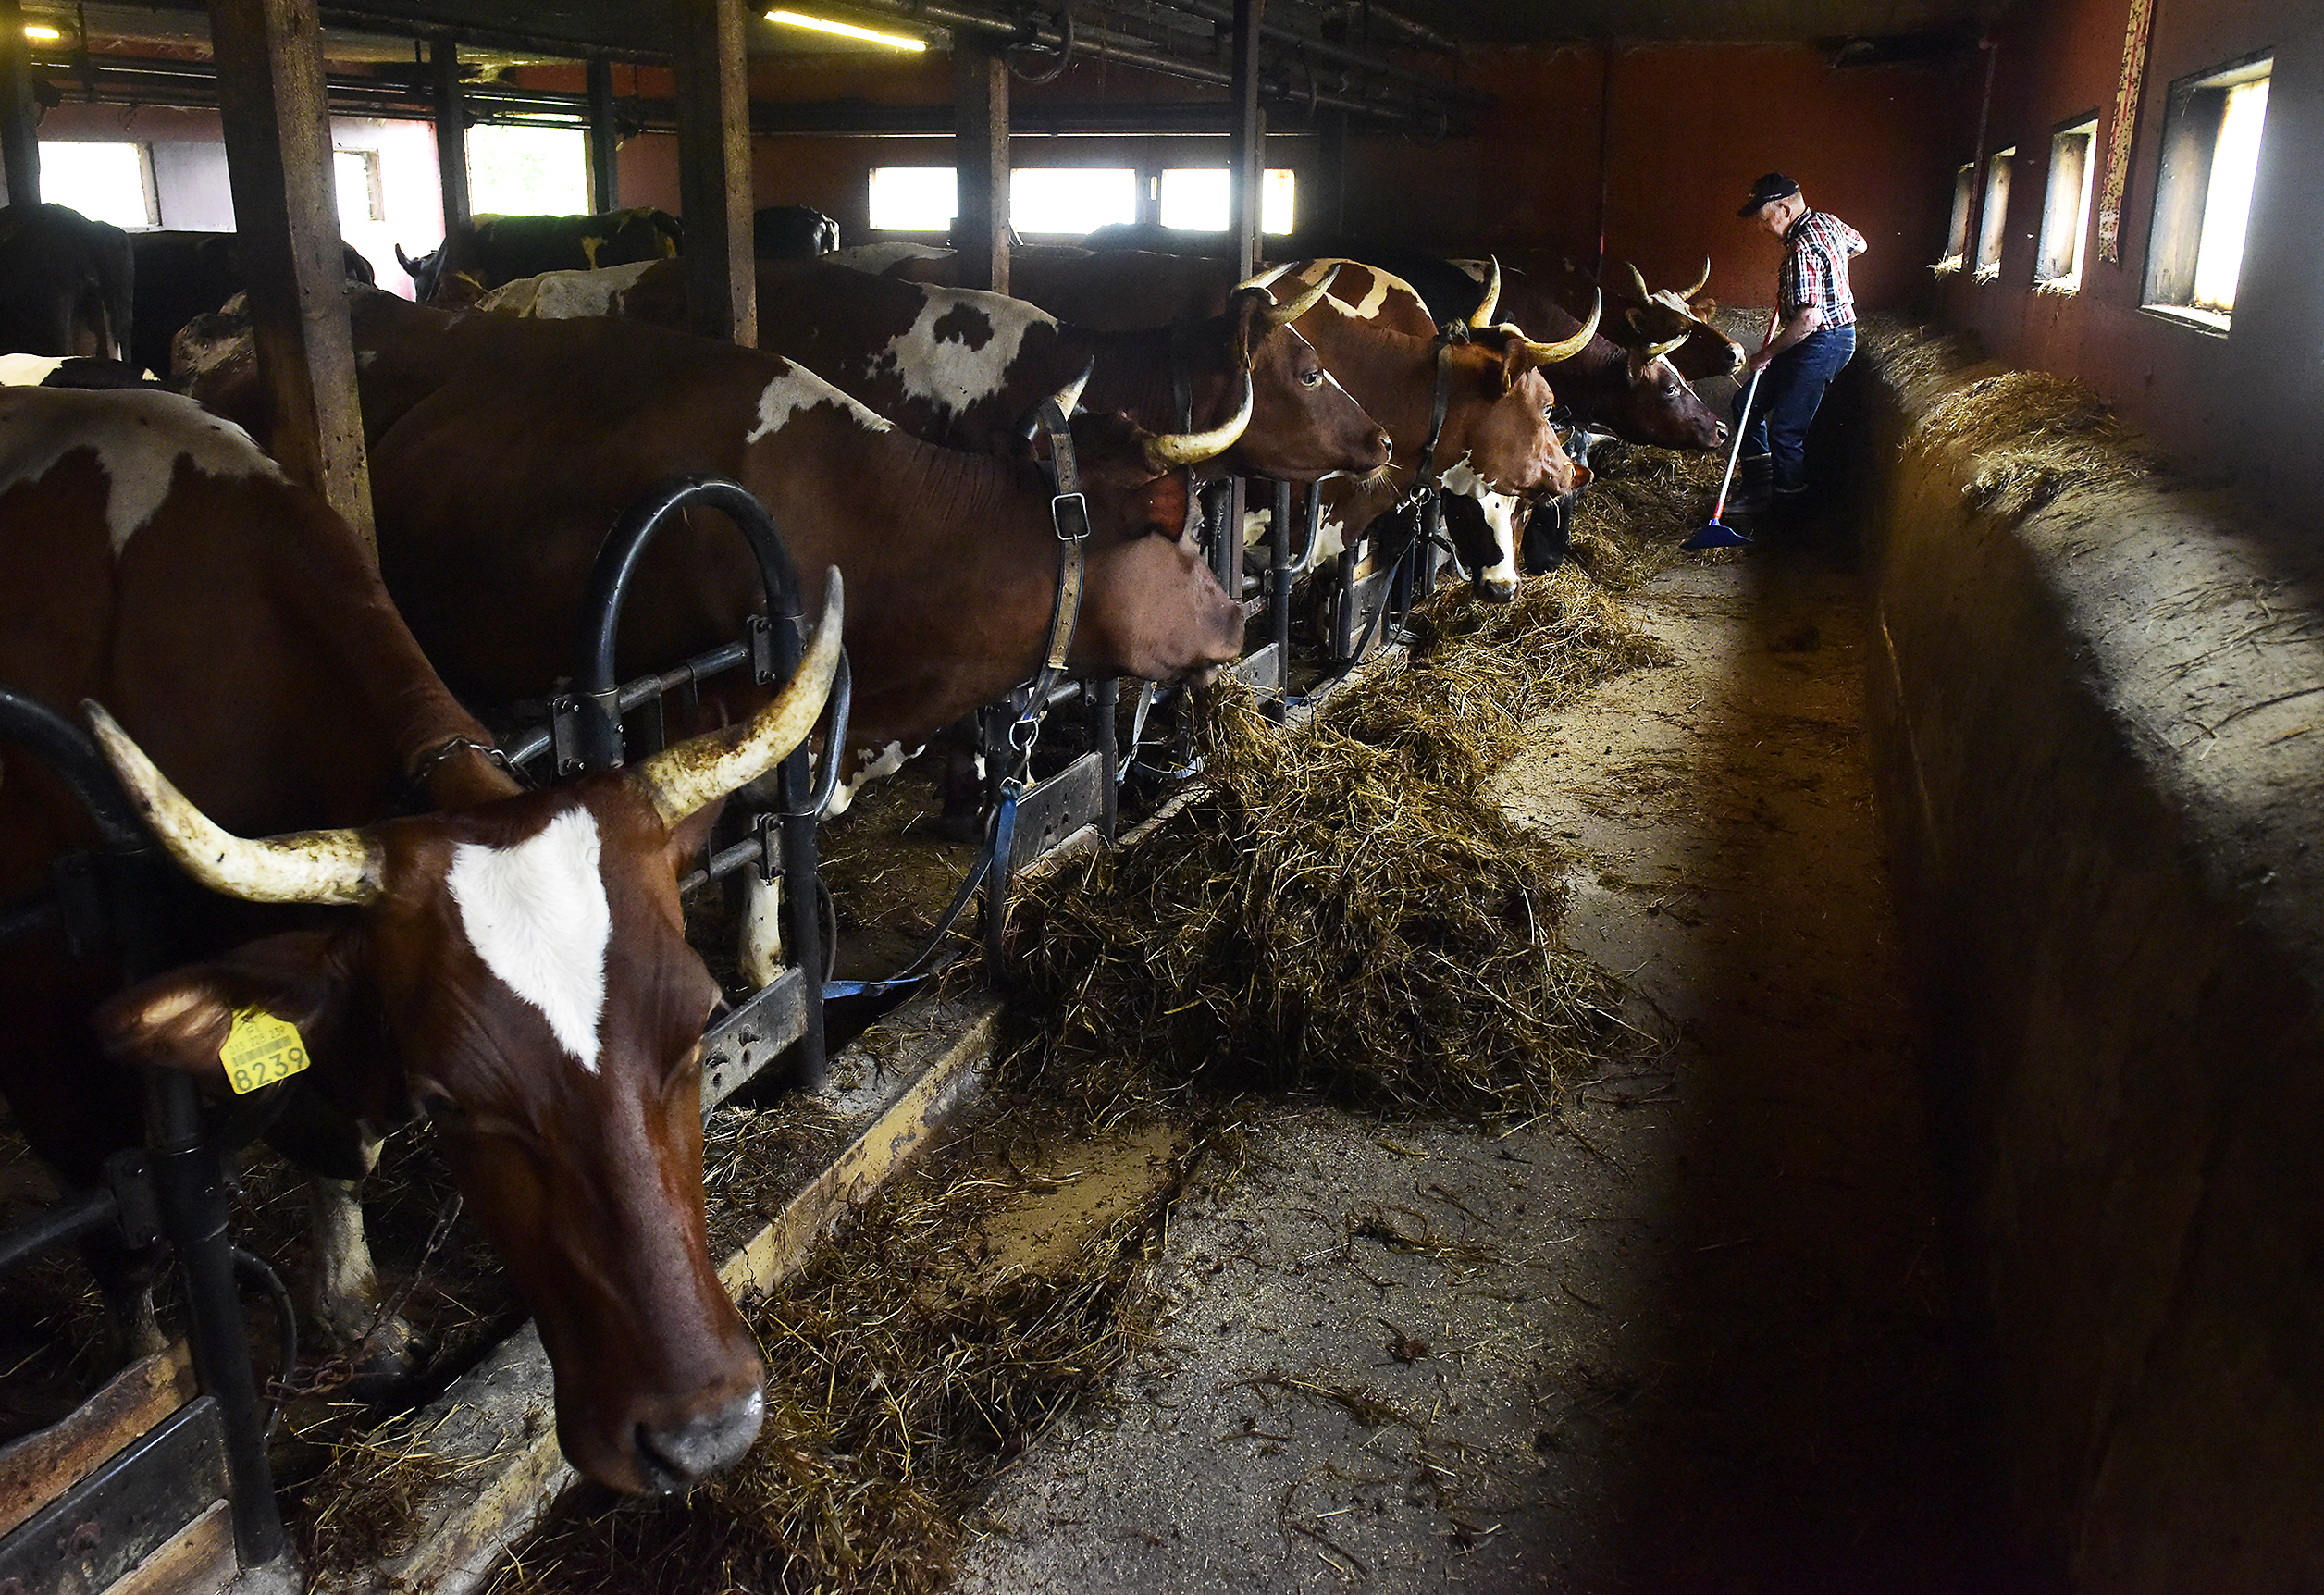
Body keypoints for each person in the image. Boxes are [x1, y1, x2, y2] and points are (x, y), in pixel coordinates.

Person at [1731, 173, 1864, 524]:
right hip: (1822, 337)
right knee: (1745, 403)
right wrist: (1833, 266)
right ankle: (1760, 487)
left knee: (1786, 432)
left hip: (1823, 341)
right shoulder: (1827, 223)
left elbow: (1807, 320)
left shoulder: (1800, 250)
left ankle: (1790, 517)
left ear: (1784, 208)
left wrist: (1765, 355)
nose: (1762, 228)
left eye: (1763, 219)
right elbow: (1860, 244)